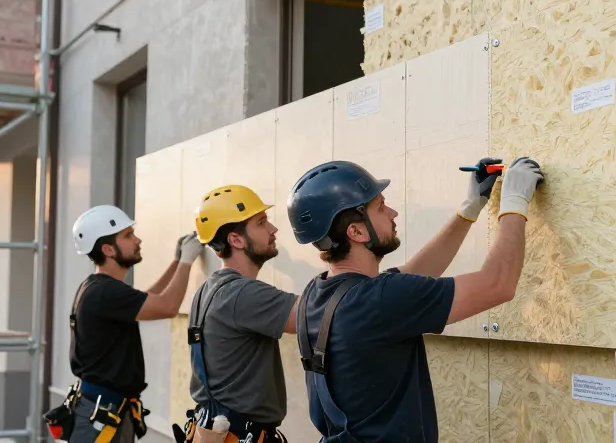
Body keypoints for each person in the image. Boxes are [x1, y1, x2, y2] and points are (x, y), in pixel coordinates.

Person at [287, 157, 544, 442]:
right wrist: (514, 202)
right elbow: (498, 284)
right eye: (381, 207)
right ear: (356, 232)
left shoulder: (317, 294)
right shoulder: (381, 300)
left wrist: (469, 209)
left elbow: (414, 274)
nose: (393, 213)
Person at [50, 204, 204, 443]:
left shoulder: (100, 288)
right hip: (101, 417)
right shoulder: (104, 292)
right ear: (108, 249)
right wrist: (186, 261)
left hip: (102, 410)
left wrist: (176, 262)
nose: (138, 240)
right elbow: (167, 306)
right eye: (128, 235)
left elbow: (148, 301)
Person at [181, 185, 298, 443]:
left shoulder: (207, 290)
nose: (273, 229)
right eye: (261, 222)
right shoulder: (242, 294)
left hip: (214, 429)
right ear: (236, 239)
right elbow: (322, 315)